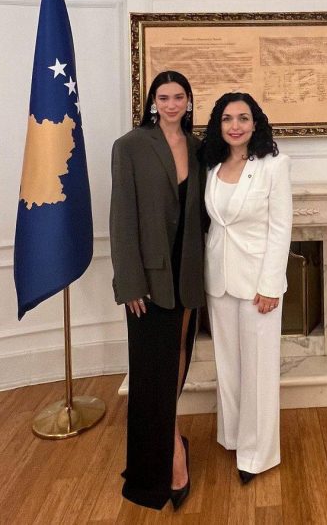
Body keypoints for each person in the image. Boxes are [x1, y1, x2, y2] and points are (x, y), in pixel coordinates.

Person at [110, 70, 205, 511]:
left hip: (189, 271)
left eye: (178, 97)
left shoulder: (200, 148)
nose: (171, 104)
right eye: (163, 97)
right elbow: (121, 218)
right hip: (148, 279)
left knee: (178, 354)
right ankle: (170, 454)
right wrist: (129, 281)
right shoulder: (130, 146)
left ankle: (171, 436)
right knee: (151, 368)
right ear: (152, 101)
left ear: (189, 101)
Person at [201, 92, 292, 483]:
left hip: (258, 284)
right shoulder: (212, 164)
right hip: (218, 281)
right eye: (227, 118)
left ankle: (258, 455)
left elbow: (281, 228)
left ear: (255, 123)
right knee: (229, 366)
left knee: (259, 371)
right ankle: (235, 437)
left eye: (242, 118)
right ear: (218, 124)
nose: (234, 125)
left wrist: (271, 284)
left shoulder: (274, 165)